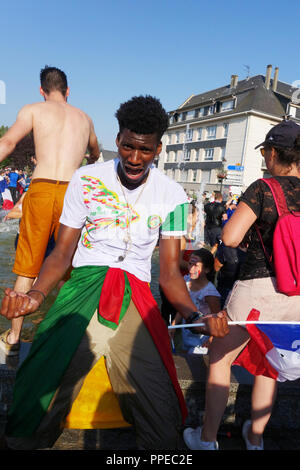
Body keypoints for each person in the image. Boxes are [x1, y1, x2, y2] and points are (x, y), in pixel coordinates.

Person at [0, 95, 229, 450]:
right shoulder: (84, 179)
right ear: (118, 138)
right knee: (40, 382)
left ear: (159, 148)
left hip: (135, 296)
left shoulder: (174, 197)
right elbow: (62, 253)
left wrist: (195, 314)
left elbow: (169, 274)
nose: (134, 158)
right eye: (127, 146)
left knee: (162, 411)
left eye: (145, 150)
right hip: (83, 289)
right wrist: (35, 295)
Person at [183, 119, 300, 450]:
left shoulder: (264, 188)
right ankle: (255, 437)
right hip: (297, 298)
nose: (265, 158)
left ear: (274, 152)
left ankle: (206, 440)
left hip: (258, 291)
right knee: (269, 364)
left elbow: (231, 237)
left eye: (265, 152)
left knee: (220, 355)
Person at [0, 66, 100, 356]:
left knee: (28, 267)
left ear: (42, 91)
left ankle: (15, 338)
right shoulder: (85, 118)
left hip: (42, 188)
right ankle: (67, 337)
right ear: (68, 91)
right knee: (70, 264)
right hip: (74, 191)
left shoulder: (33, 109)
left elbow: (8, 142)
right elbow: (95, 154)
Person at [171, 248, 221, 355]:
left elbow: (217, 318)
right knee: (184, 357)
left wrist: (212, 338)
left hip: (202, 338)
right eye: (189, 264)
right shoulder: (186, 281)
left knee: (195, 363)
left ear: (207, 269)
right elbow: (183, 306)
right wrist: (174, 325)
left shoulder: (210, 293)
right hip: (186, 331)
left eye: (196, 265)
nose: (190, 269)